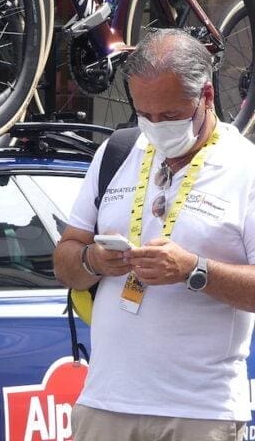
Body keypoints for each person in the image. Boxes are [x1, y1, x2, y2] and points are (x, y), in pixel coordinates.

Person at [55, 29, 255, 441]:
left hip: (199, 413)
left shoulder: (245, 169)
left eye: (169, 116)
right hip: (105, 404)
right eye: (145, 115)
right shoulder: (117, 152)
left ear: (206, 97)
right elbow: (65, 261)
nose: (156, 127)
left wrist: (193, 270)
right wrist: (92, 260)